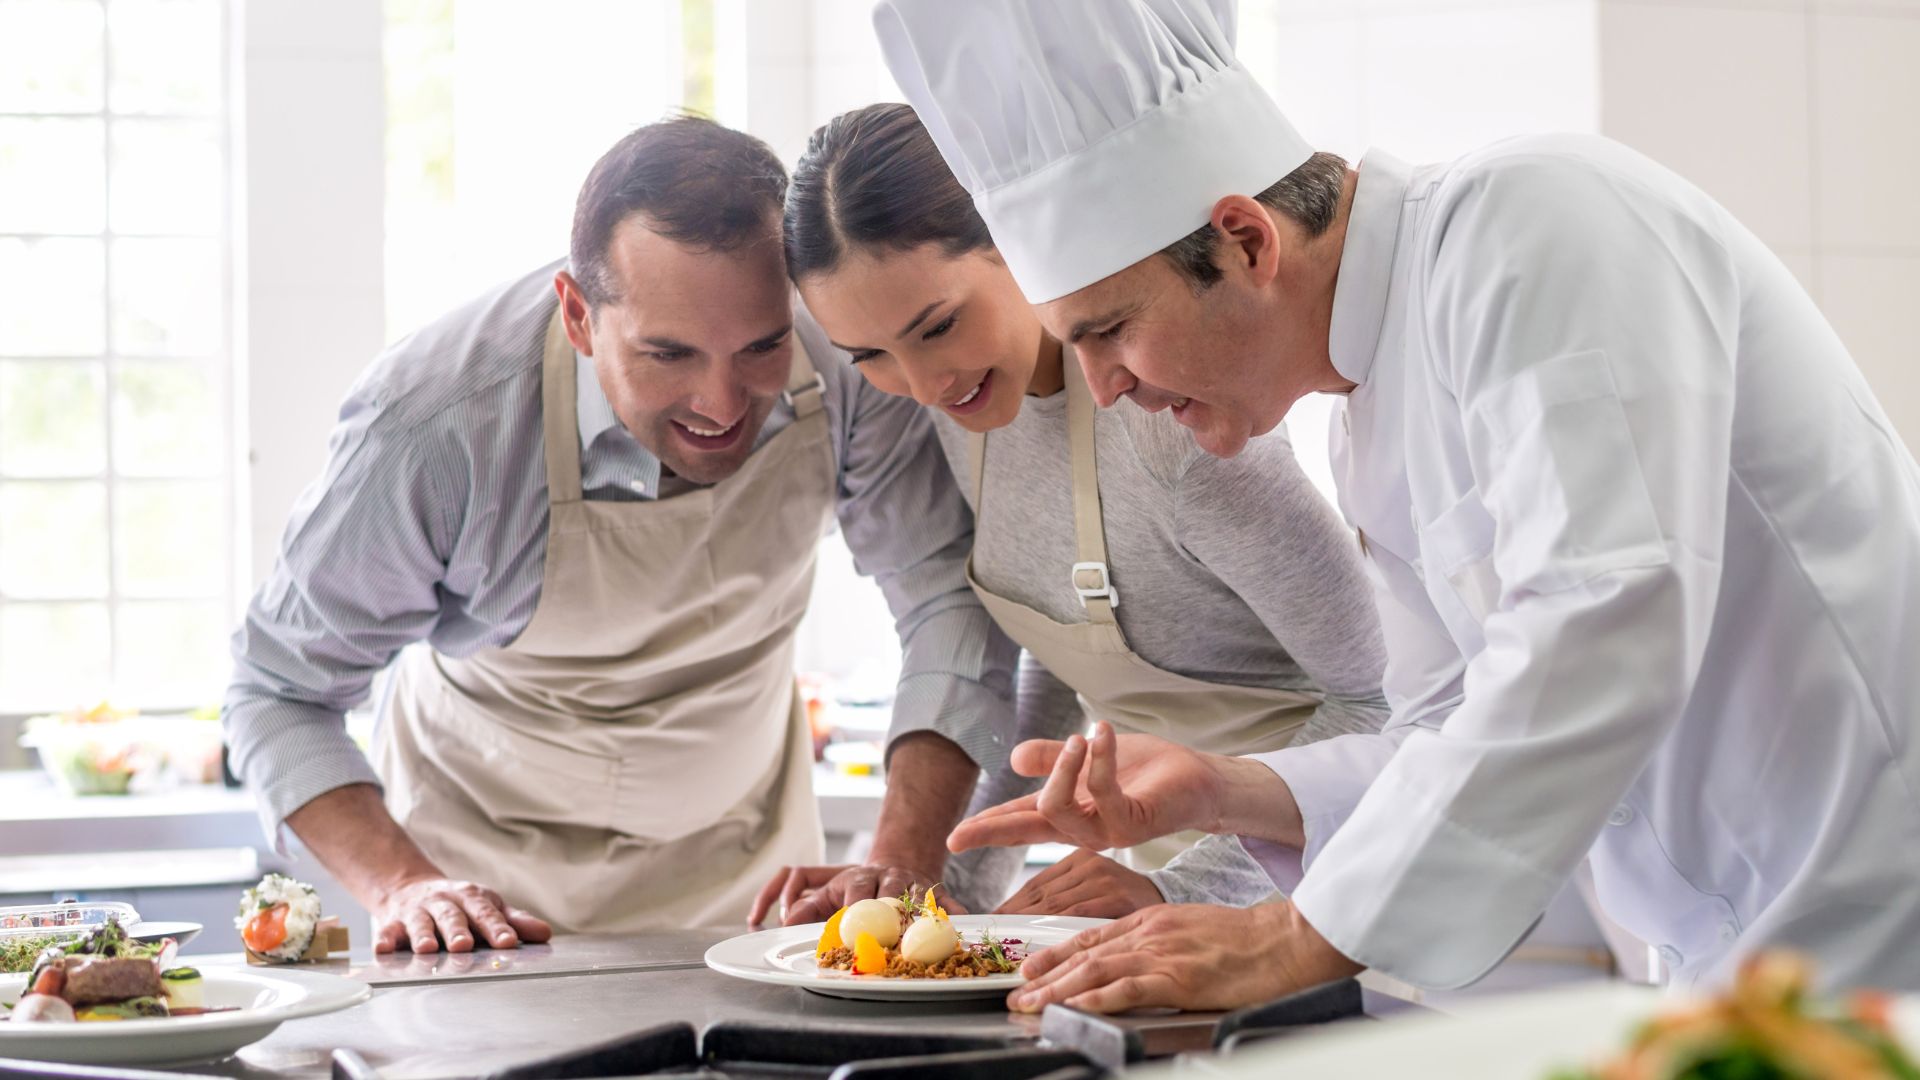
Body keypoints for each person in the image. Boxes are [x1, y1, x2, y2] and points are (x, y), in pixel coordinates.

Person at [877, 0, 1920, 1009]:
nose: (1102, 387)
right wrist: (1223, 787)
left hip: (1882, 916)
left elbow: (1603, 620)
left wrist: (1297, 940)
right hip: (1741, 959)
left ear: (1244, 240)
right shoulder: (1366, 415)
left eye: (1108, 330)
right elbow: (1444, 728)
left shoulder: (1537, 222)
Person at [224, 116, 1021, 952]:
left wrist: (901, 859)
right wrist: (402, 883)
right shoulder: (434, 427)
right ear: (577, 315)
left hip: (752, 889)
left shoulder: (849, 353)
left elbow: (945, 602)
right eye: (667, 355)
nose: (719, 404)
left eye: (761, 348)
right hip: (484, 910)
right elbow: (275, 691)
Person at [757, 102, 1389, 922]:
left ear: (1018, 247)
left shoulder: (1176, 433)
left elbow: (1382, 701)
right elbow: (1059, 664)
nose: (924, 384)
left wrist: (1180, 893)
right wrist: (949, 904)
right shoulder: (969, 417)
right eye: (871, 355)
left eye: (939, 326)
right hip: (1159, 902)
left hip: (1325, 888)